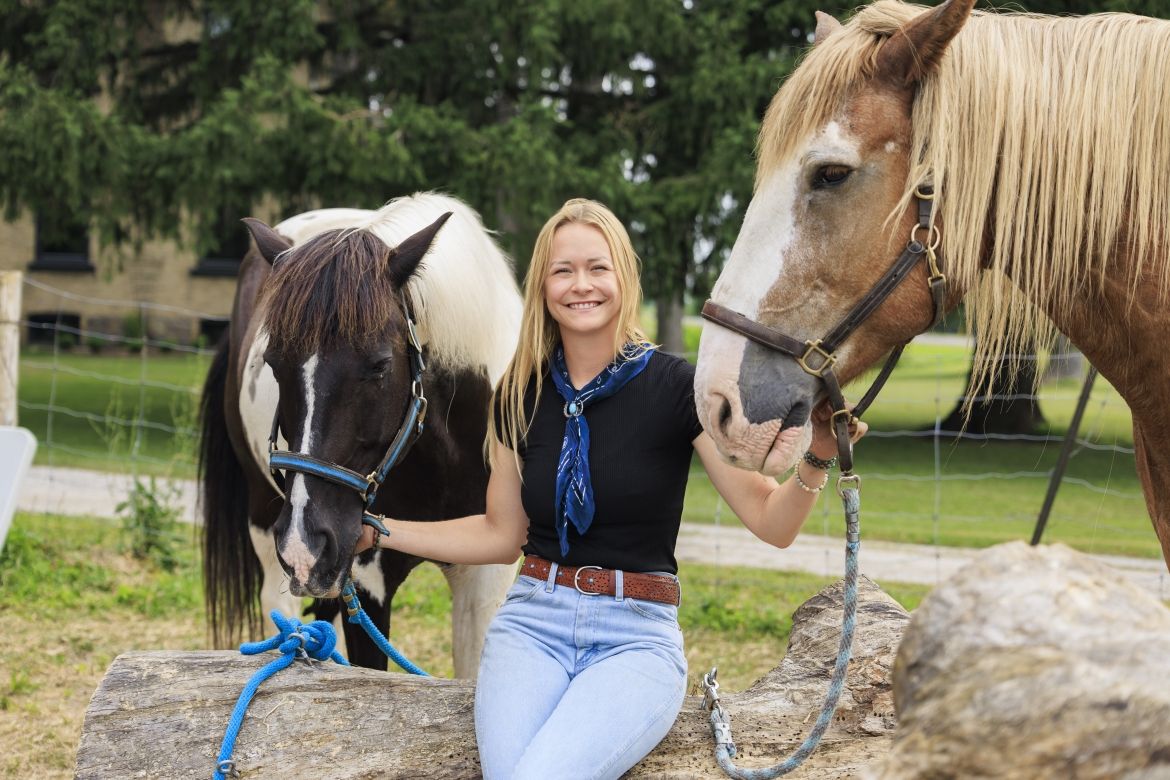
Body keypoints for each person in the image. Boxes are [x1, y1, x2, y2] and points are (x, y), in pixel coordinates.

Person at [352, 198, 866, 779]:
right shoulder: (518, 392)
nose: (581, 285)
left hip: (635, 638)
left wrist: (821, 453)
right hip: (532, 627)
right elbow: (501, 535)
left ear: (624, 276)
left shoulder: (677, 388)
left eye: (598, 268)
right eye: (563, 270)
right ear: (542, 285)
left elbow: (772, 521)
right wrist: (379, 531)